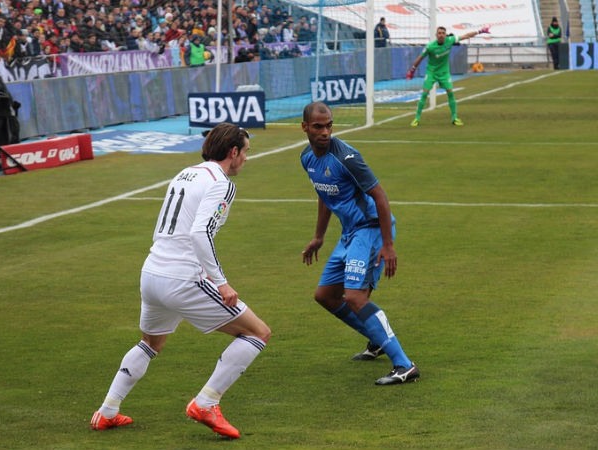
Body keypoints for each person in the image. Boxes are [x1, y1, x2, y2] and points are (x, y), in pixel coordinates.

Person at [90, 122, 270, 440]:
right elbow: (199, 233)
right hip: (183, 277)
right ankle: (206, 402)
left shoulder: (186, 172)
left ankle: (107, 411)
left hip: (152, 272)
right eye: (246, 152)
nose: (246, 159)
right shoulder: (222, 183)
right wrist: (221, 282)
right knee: (257, 333)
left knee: (150, 343)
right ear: (233, 152)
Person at [299, 101, 419, 386]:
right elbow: (325, 194)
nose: (325, 132)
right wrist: (319, 236)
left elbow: (380, 196)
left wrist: (388, 245)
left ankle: (404, 365)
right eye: (318, 127)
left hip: (372, 230)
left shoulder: (348, 157)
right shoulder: (307, 158)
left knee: (354, 297)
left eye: (329, 126)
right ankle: (376, 340)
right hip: (350, 232)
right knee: (325, 296)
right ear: (304, 127)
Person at [407, 25, 490, 127]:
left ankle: (454, 118)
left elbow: (466, 36)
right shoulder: (430, 47)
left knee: (450, 93)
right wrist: (412, 70)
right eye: (439, 33)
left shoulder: (450, 40)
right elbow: (420, 58)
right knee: (424, 94)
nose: (441, 35)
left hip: (444, 72)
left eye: (443, 33)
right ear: (436, 35)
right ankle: (417, 118)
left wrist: (480, 31)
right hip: (431, 72)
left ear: (445, 35)